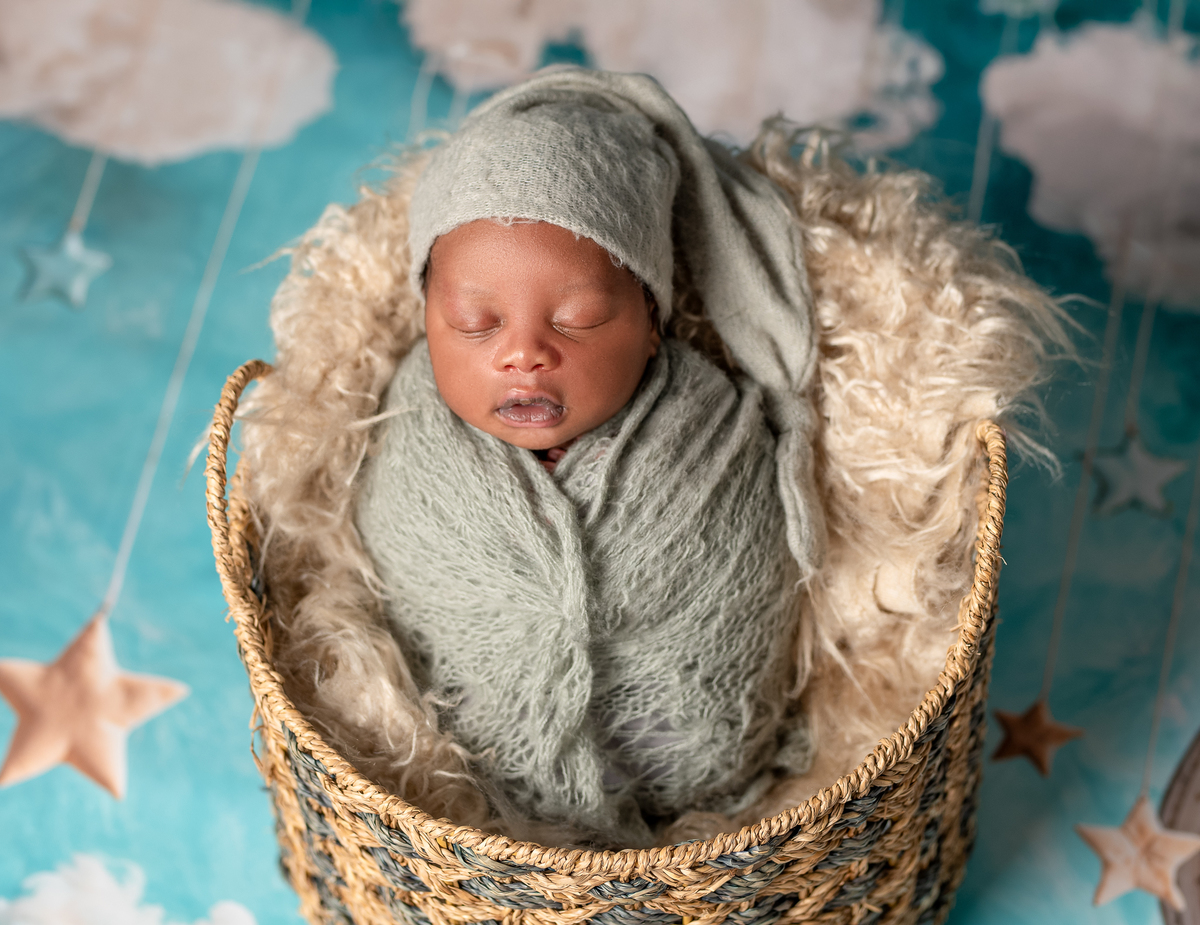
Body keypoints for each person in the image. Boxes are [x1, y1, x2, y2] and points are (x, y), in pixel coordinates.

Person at [354, 67, 824, 848]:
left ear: (649, 318)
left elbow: (753, 566)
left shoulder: (708, 425)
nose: (524, 355)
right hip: (464, 809)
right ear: (426, 318)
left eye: (578, 319)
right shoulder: (414, 424)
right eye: (475, 322)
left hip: (695, 785)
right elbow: (394, 581)